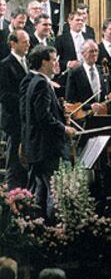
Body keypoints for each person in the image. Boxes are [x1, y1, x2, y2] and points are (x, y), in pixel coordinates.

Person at [21, 45, 76, 220]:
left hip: (41, 149)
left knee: (41, 193)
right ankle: (55, 231)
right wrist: (64, 128)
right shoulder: (41, 83)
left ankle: (41, 230)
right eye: (53, 60)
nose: (56, 64)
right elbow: (43, 117)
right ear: (44, 62)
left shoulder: (37, 81)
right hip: (48, 149)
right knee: (56, 192)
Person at [0, 30, 30, 189]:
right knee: (14, 163)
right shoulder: (4, 65)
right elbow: (4, 95)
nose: (28, 45)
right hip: (14, 121)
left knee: (26, 163)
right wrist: (26, 101)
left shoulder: (29, 62)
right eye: (25, 42)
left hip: (28, 122)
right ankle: (13, 197)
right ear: (13, 43)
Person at [65, 40, 111, 109]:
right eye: (91, 51)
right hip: (84, 116)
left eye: (96, 51)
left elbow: (109, 92)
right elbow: (70, 101)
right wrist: (89, 106)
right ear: (83, 54)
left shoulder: (103, 71)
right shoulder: (75, 73)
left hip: (103, 113)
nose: (94, 54)